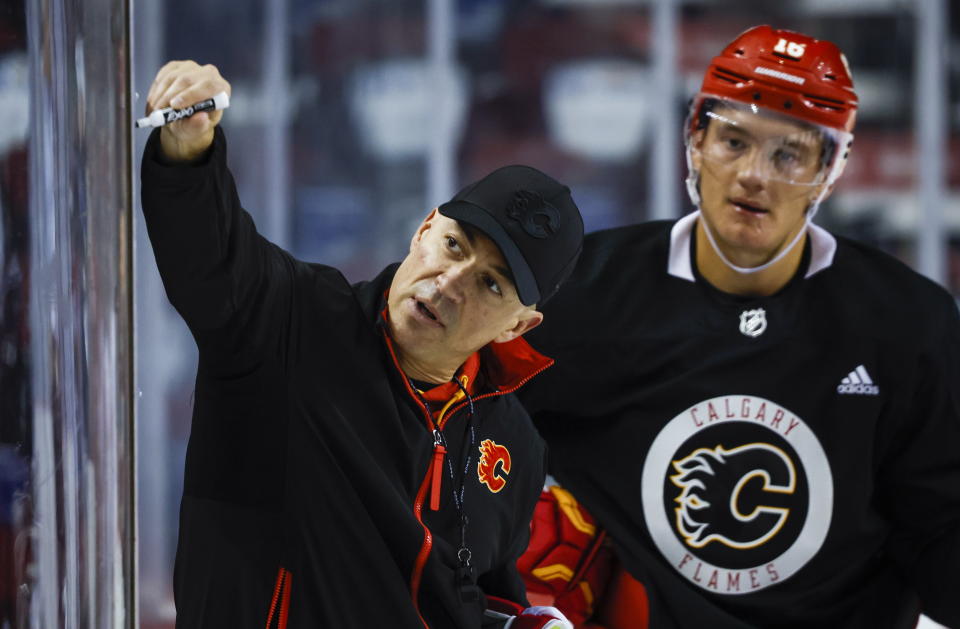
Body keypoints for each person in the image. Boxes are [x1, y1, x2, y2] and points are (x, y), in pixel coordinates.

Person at [517, 25, 960, 629]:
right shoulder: (578, 291)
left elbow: (941, 524)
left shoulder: (907, 322)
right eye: (734, 141)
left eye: (789, 154)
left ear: (831, 171)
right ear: (694, 139)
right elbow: (447, 425)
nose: (755, 174)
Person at [140, 61, 586, 629]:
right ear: (424, 228)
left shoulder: (516, 446)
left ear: (517, 327)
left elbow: (472, 593)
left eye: (491, 283)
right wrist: (190, 148)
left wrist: (521, 622)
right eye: (454, 245)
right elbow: (208, 253)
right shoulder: (289, 320)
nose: (449, 283)